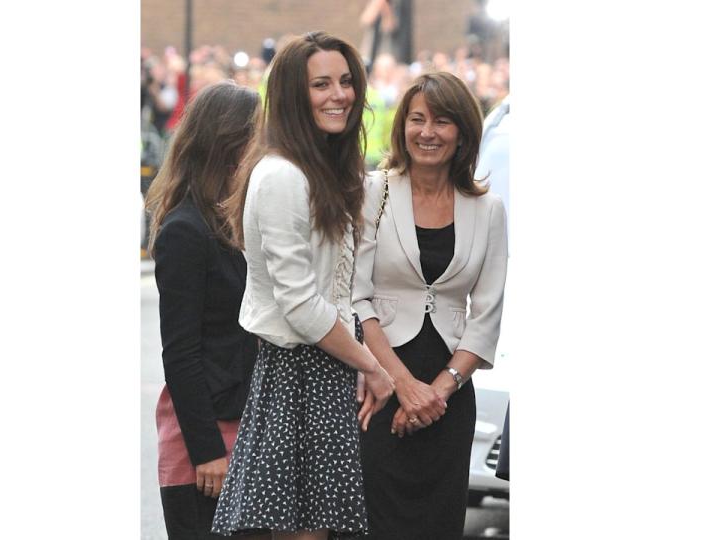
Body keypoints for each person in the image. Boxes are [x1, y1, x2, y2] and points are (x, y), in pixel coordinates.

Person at [211, 31, 396, 540]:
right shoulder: (282, 176)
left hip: (326, 367)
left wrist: (354, 360)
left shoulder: (325, 171)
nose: (339, 95)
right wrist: (371, 365)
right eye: (321, 84)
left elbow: (337, 289)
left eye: (345, 82)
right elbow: (301, 305)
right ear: (294, 94)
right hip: (297, 371)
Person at [353, 72, 508, 539]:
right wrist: (401, 385)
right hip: (379, 387)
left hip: (450, 397)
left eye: (441, 121)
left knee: (438, 524)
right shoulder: (372, 193)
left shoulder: (488, 210)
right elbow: (355, 296)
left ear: (462, 131)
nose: (427, 132)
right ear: (402, 127)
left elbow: (487, 315)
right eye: (417, 119)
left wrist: (436, 393)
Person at [144, 81, 266, 540]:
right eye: (257, 134)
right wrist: (207, 451)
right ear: (228, 144)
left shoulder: (238, 221)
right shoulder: (185, 230)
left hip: (247, 430)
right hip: (206, 444)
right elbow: (180, 353)